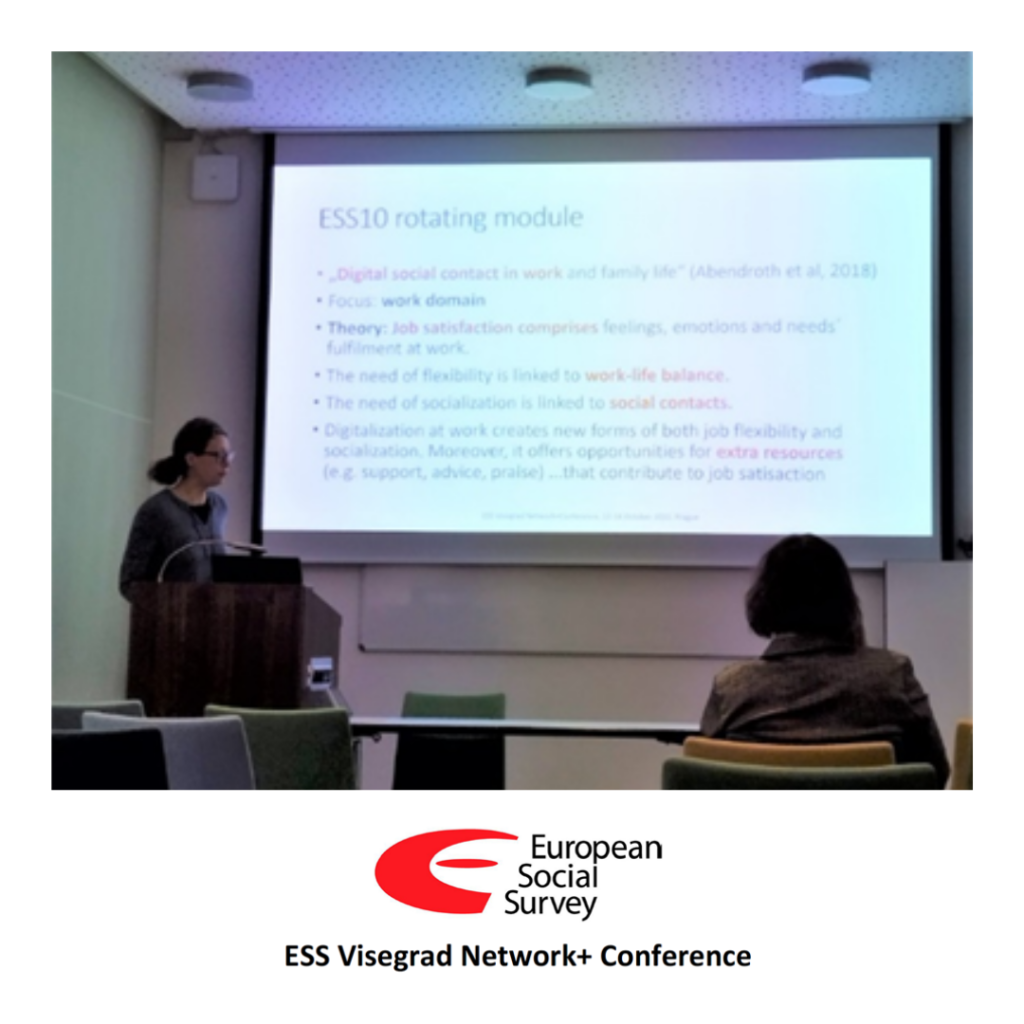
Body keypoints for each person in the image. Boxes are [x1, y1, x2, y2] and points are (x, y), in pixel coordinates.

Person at [699, 534, 950, 786]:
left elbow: (701, 782)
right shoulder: (892, 675)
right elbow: (934, 773)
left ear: (765, 600)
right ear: (845, 599)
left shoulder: (731, 687)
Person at [119, 418, 233, 599]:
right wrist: (171, 604)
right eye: (219, 456)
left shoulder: (220, 506)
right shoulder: (157, 510)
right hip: (172, 615)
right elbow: (130, 582)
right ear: (191, 459)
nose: (227, 463)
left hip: (213, 615)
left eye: (229, 456)